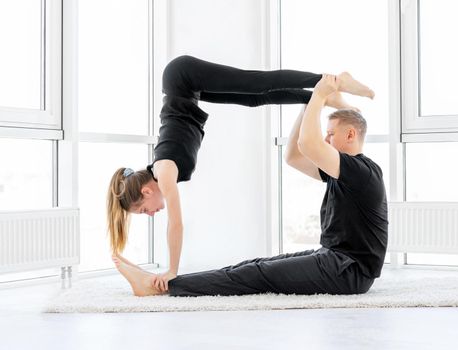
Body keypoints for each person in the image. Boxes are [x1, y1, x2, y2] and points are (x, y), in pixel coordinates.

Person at [107, 55, 384, 297]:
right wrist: (311, 101)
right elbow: (294, 156)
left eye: (331, 134)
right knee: (255, 97)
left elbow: (308, 145)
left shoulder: (359, 171)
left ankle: (169, 287)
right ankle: (163, 284)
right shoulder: (346, 172)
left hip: (347, 269)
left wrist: (322, 90)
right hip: (337, 262)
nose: (326, 138)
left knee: (258, 84)